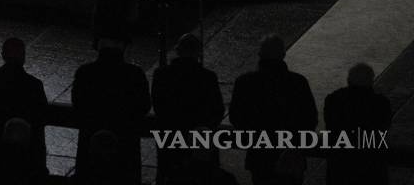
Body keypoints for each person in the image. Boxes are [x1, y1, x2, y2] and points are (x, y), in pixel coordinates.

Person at [229, 35, 317, 185]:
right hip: (291, 153)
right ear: (283, 54)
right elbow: (309, 118)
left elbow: (237, 117)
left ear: (260, 54)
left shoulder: (245, 82)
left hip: (259, 153)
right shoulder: (298, 82)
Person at [71, 36, 151, 185]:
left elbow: (78, 103)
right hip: (125, 140)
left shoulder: (85, 72)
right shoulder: (135, 74)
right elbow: (144, 105)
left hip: (91, 136)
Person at [152, 33, 225, 184]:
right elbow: (217, 110)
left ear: (178, 51)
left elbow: (159, 107)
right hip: (200, 140)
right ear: (198, 53)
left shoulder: (162, 75)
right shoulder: (208, 77)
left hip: (170, 139)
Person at [0, 37, 47, 185]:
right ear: (23, 57)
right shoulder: (34, 85)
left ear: (3, 55)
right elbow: (42, 117)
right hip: (27, 158)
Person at [323, 63, 391, 185]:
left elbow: (330, 126)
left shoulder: (334, 100)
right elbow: (384, 127)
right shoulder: (381, 103)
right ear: (371, 80)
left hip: (340, 163)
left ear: (349, 80)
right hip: (371, 163)